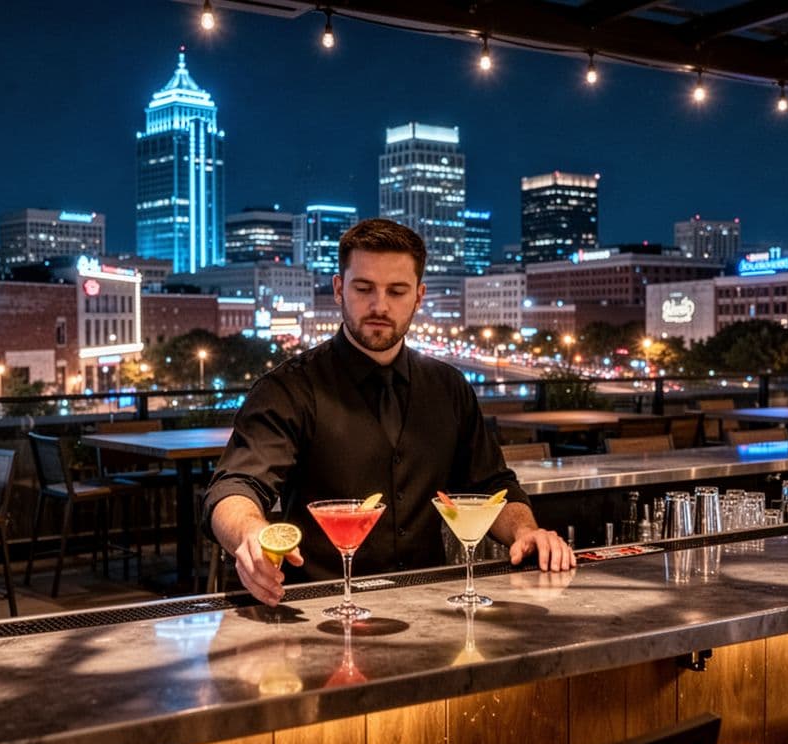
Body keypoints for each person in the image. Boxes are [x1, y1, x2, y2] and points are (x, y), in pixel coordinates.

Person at [205, 218, 575, 607]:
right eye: (363, 288)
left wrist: (525, 531)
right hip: (316, 608)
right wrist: (249, 532)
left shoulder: (449, 388)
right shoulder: (287, 389)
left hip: (428, 606)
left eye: (397, 291)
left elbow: (491, 485)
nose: (379, 305)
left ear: (418, 296)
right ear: (338, 289)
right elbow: (235, 486)